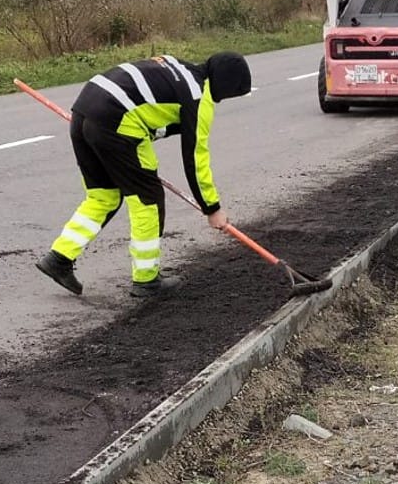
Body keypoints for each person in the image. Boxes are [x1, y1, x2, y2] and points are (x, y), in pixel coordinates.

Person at [36, 52, 254, 299]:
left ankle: (59, 258)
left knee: (103, 196)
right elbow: (195, 158)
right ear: (226, 86)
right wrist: (212, 208)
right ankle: (146, 280)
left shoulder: (177, 66)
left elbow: (152, 112)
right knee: (147, 200)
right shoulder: (197, 96)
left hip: (86, 108)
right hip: (115, 120)